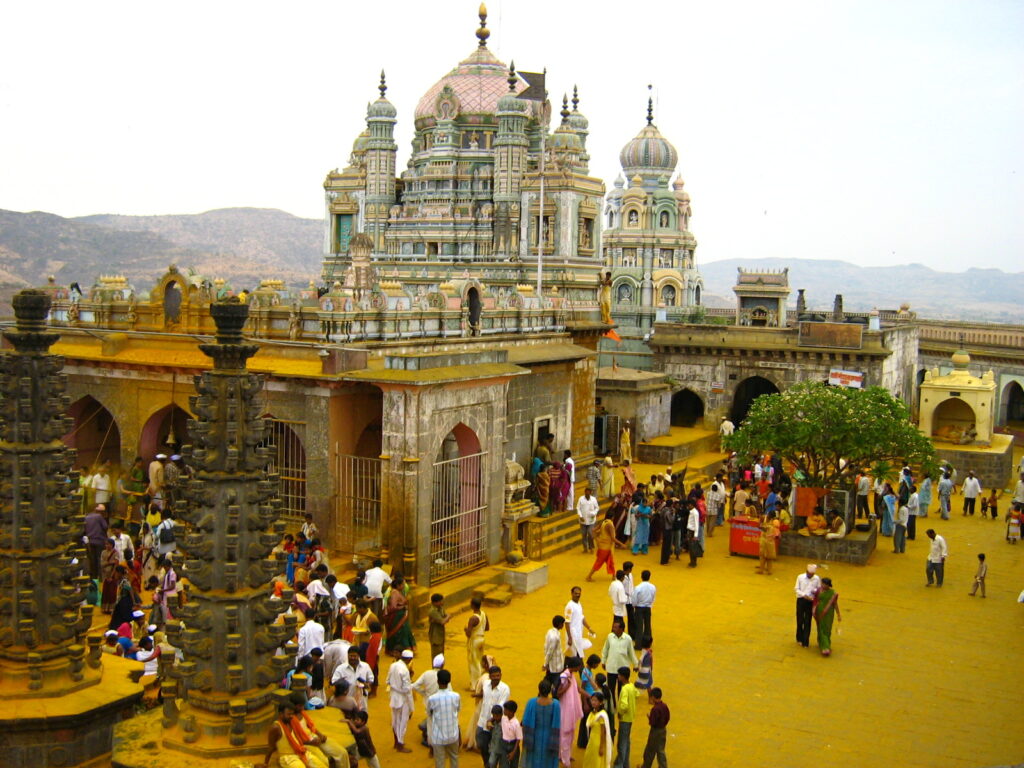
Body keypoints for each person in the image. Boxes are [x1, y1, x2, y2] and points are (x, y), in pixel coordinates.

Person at [260, 699, 330, 768]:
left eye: (292, 714)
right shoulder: (276, 727)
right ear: (281, 714)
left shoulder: (293, 722)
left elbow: (299, 739)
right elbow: (271, 748)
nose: (291, 716)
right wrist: (265, 763)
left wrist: (311, 742)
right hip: (288, 757)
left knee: (321, 765)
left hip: (300, 751)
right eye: (288, 714)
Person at [475, 666, 511, 765]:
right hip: (482, 722)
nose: (496, 678)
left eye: (498, 675)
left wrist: (491, 720)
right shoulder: (485, 684)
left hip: (495, 724)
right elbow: (484, 695)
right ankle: (488, 764)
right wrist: (477, 695)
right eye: (494, 676)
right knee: (481, 745)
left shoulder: (505, 689)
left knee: (495, 748)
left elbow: (500, 707)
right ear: (489, 676)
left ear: (501, 675)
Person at [522, 679, 560, 768]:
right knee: (548, 761)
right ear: (550, 691)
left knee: (534, 759)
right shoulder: (556, 704)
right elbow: (557, 723)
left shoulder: (531, 702)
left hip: (534, 737)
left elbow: (525, 722)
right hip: (550, 737)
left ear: (539, 689)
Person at [428, 668, 461, 768]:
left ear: (437, 681)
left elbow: (430, 713)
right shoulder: (456, 696)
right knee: (454, 758)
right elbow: (458, 710)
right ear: (449, 681)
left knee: (439, 762)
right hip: (453, 735)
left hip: (438, 737)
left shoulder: (432, 698)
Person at [599, 620, 636, 705]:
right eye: (613, 626)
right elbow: (605, 649)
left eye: (615, 627)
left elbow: (631, 653)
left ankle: (621, 705)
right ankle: (613, 705)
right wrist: (603, 661)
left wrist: (635, 664)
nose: (613, 629)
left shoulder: (628, 639)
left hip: (622, 669)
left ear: (622, 629)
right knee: (611, 689)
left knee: (622, 689)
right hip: (611, 668)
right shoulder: (610, 637)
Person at [556, 657, 584, 767]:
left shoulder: (571, 675)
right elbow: (558, 694)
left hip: (570, 708)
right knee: (565, 733)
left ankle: (565, 755)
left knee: (570, 733)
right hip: (565, 708)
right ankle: (564, 758)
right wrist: (566, 687)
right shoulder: (564, 676)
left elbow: (577, 689)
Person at [412, 654, 444, 747]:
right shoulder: (443, 675)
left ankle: (431, 745)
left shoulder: (427, 673)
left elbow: (415, 686)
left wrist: (424, 693)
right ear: (442, 665)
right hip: (440, 704)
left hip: (428, 702)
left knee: (430, 725)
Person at [387, 649, 415, 753]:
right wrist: (411, 706)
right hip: (403, 698)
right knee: (402, 723)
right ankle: (400, 744)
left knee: (395, 721)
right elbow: (407, 689)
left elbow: (387, 680)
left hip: (393, 696)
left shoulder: (393, 665)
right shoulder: (404, 670)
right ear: (409, 659)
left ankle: (396, 742)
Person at [586, 510, 624, 582]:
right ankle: (589, 576)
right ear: (613, 517)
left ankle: (613, 576)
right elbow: (613, 538)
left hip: (603, 546)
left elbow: (593, 530)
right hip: (606, 547)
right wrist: (621, 544)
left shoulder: (603, 522)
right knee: (599, 562)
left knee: (611, 561)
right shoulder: (610, 525)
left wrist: (597, 539)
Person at [383, 574, 415, 655]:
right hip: (398, 617)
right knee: (400, 633)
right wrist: (403, 607)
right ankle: (398, 650)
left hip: (401, 616)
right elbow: (393, 606)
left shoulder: (397, 592)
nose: (404, 586)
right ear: (398, 585)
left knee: (404, 632)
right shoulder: (395, 593)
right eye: (403, 584)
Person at [613, 667, 638, 768]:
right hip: (631, 717)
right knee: (626, 742)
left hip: (625, 718)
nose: (618, 677)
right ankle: (625, 764)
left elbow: (624, 705)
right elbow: (637, 694)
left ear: (622, 677)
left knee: (622, 743)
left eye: (619, 675)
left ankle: (619, 764)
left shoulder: (624, 689)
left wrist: (620, 713)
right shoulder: (631, 686)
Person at [638, 687, 669, 768]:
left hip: (655, 731)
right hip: (663, 730)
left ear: (653, 697)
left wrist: (649, 717)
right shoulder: (664, 706)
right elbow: (668, 717)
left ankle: (645, 766)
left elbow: (653, 722)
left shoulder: (655, 709)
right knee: (660, 750)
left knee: (650, 750)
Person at [582, 690, 612, 768]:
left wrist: (601, 746)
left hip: (598, 742)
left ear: (601, 702)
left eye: (595, 700)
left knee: (596, 762)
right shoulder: (593, 712)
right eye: (592, 700)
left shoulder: (602, 715)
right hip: (592, 740)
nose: (593, 702)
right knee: (589, 758)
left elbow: (603, 732)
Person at [564, 586, 596, 658]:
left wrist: (589, 628)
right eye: (575, 593)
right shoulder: (569, 607)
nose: (578, 595)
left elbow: (582, 617)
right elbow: (567, 622)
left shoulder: (579, 604)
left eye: (579, 593)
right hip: (572, 634)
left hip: (578, 634)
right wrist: (569, 637)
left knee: (576, 655)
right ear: (572, 593)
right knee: (573, 656)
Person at [813, 577, 842, 657]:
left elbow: (835, 604)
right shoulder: (818, 590)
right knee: (820, 628)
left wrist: (838, 614)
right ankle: (823, 646)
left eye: (824, 584)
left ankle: (826, 645)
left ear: (828, 585)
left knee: (827, 629)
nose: (822, 585)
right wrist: (814, 609)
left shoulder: (833, 593)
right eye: (822, 583)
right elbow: (815, 600)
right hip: (819, 612)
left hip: (828, 613)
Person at [794, 564, 820, 648]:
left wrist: (814, 592)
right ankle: (799, 638)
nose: (810, 575)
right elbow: (796, 589)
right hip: (801, 600)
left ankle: (806, 641)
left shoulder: (816, 579)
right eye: (809, 574)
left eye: (811, 574)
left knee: (808, 621)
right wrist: (804, 595)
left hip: (810, 601)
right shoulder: (800, 577)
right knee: (800, 619)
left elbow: (818, 589)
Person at [466, 596, 490, 687]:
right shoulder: (484, 614)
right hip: (482, 639)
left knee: (473, 662)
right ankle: (479, 681)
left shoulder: (473, 618)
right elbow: (487, 628)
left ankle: (475, 684)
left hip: (474, 640)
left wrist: (466, 629)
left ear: (472, 605)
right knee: (479, 661)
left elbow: (468, 634)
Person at [84, 504, 109, 580]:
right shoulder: (99, 517)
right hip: (99, 541)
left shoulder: (86, 517)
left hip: (90, 541)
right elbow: (105, 527)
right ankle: (100, 577)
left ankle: (93, 576)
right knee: (99, 559)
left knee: (92, 559)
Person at [543, 615, 566, 689]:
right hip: (555, 666)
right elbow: (550, 651)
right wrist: (545, 664)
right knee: (556, 686)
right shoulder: (555, 637)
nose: (563, 625)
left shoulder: (550, 632)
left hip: (553, 665)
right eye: (562, 624)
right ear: (559, 624)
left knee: (547, 681)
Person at [631, 571, 655, 644]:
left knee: (639, 626)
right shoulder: (652, 587)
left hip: (639, 608)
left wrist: (634, 605)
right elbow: (653, 597)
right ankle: (647, 642)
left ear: (641, 577)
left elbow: (634, 599)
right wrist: (650, 604)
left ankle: (638, 644)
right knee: (647, 625)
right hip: (648, 607)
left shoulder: (638, 587)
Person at [427, 592, 451, 660]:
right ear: (435, 602)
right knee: (436, 656)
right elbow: (443, 621)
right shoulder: (433, 611)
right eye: (441, 601)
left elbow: (445, 618)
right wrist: (448, 616)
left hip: (441, 635)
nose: (442, 602)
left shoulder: (440, 608)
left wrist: (446, 618)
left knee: (441, 656)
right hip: (435, 636)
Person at [501, 700, 523, 768]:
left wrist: (513, 752)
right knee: (504, 765)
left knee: (514, 765)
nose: (504, 711)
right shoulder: (503, 718)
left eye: (505, 709)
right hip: (504, 744)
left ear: (511, 712)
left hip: (513, 745)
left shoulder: (516, 723)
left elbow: (518, 739)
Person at [577, 488, 600, 553]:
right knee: (583, 534)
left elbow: (597, 508)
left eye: (588, 492)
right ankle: (585, 548)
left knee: (590, 533)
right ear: (584, 492)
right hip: (583, 520)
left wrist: (594, 513)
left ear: (590, 492)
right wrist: (580, 516)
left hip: (591, 520)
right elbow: (578, 508)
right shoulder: (581, 499)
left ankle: (591, 547)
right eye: (586, 492)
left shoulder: (593, 499)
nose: (587, 493)